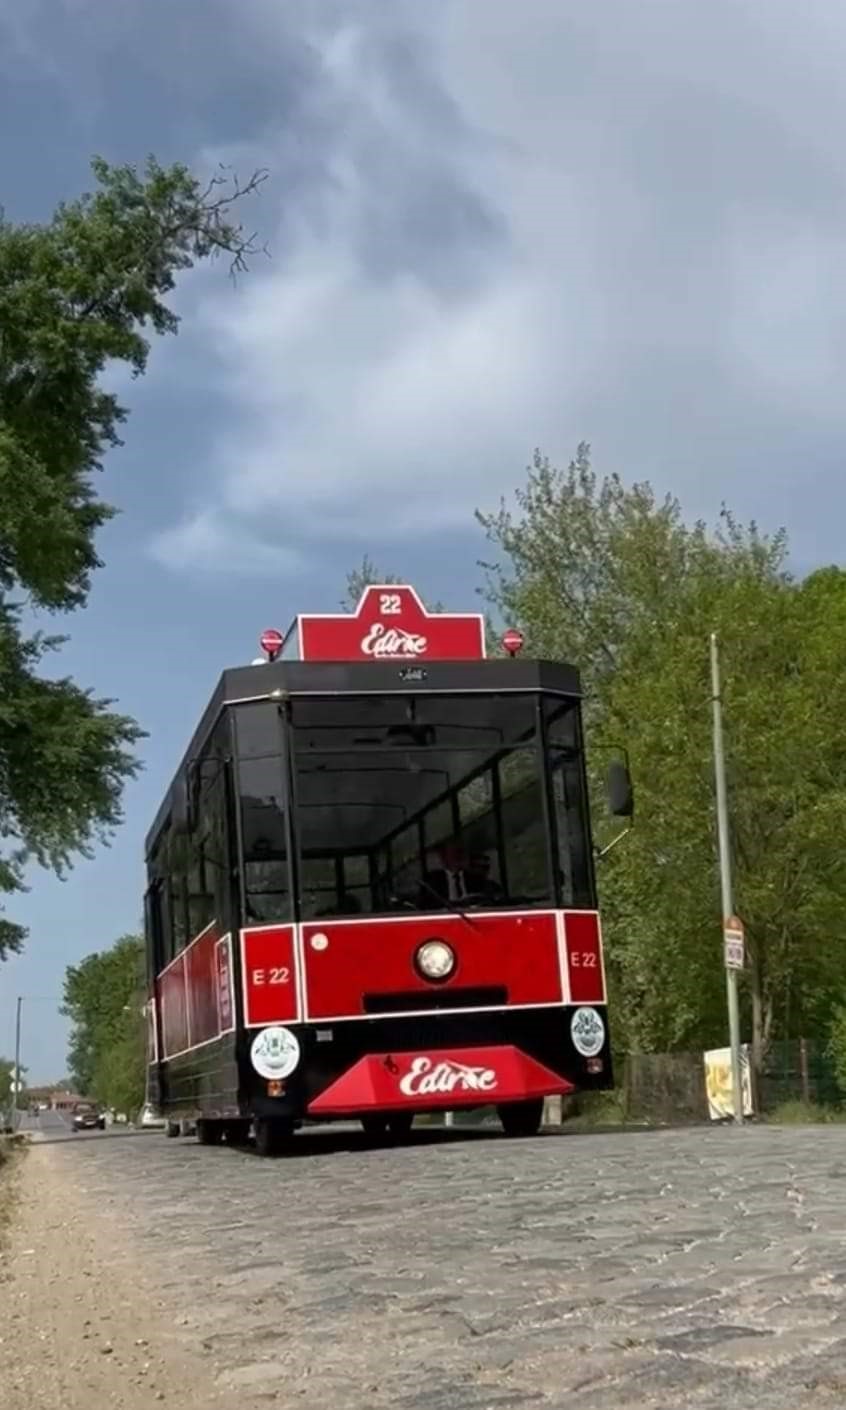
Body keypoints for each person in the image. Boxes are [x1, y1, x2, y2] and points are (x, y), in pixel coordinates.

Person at [419, 841, 498, 906]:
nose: (459, 857)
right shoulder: (431, 882)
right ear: (443, 857)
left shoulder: (477, 879)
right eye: (455, 853)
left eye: (461, 852)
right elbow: (426, 907)